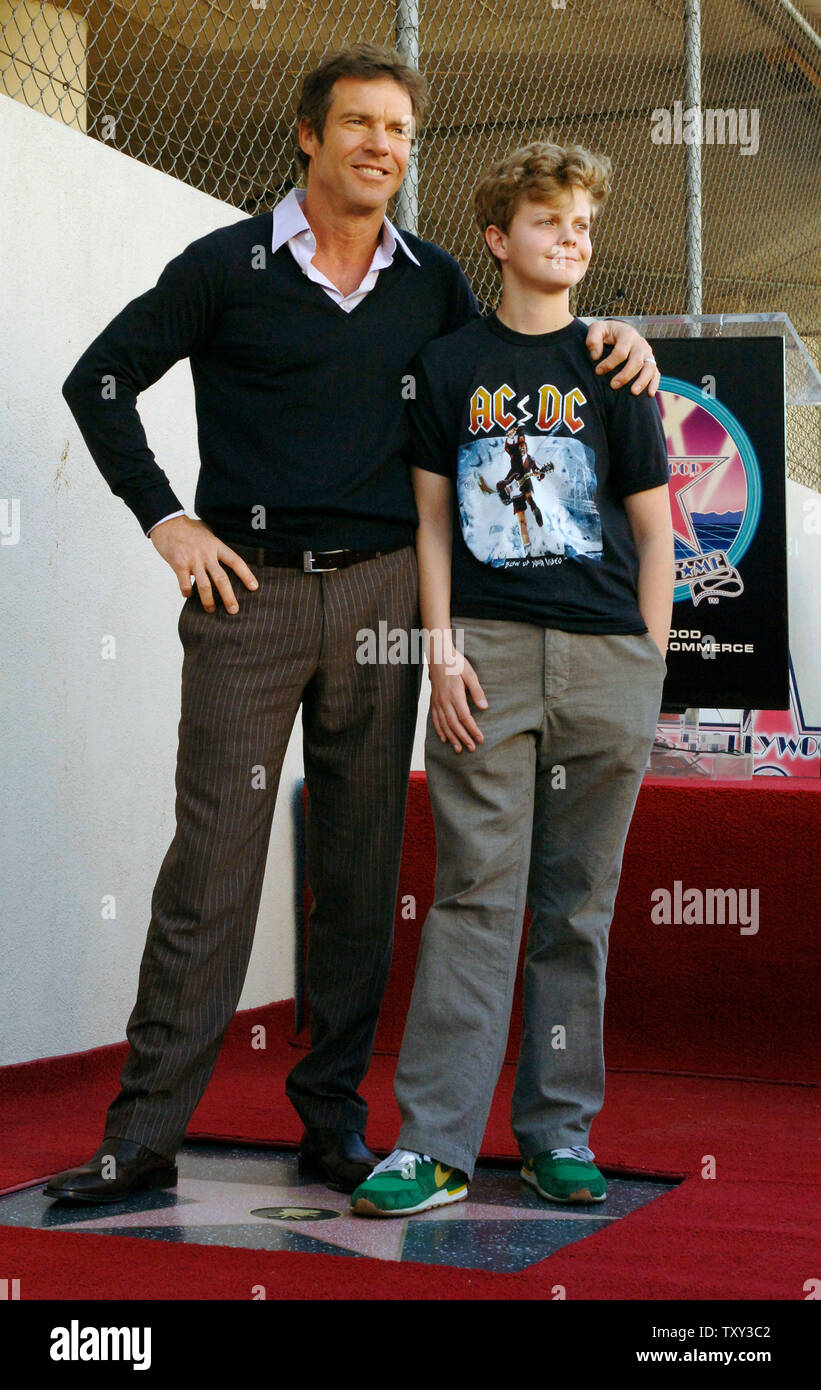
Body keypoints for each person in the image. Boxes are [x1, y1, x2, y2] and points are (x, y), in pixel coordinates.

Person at [45, 43, 662, 1206]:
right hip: (250, 598)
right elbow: (101, 380)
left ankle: (332, 1124)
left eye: (400, 133)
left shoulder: (432, 282)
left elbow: (525, 342)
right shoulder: (223, 267)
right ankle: (142, 1136)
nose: (382, 146)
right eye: (361, 124)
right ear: (308, 134)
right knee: (212, 868)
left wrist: (618, 340)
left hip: (384, 594)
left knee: (359, 869)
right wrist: (166, 520)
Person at [351, 141, 673, 1218]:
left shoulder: (615, 365)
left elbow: (653, 530)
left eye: (581, 225)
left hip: (602, 659)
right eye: (547, 222)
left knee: (576, 908)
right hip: (484, 652)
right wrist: (439, 644)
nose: (568, 240)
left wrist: (647, 659)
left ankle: (556, 1134)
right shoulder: (448, 367)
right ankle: (433, 1143)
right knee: (472, 898)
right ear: (498, 238)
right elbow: (433, 520)